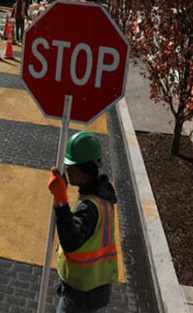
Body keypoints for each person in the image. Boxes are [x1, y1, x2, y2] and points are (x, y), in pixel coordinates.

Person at [47, 131, 119, 313]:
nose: (68, 170)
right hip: (95, 287)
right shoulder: (102, 194)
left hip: (82, 292)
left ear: (83, 169)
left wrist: (61, 201)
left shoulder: (91, 207)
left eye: (71, 166)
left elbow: (71, 241)